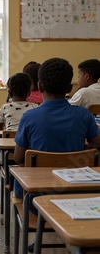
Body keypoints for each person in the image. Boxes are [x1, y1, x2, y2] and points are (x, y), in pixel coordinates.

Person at [14, 57, 100, 210]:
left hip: (37, 200)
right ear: (69, 88)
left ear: (40, 87)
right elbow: (98, 144)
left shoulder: (29, 117)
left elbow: (18, 157)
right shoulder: (84, 115)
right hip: (79, 198)